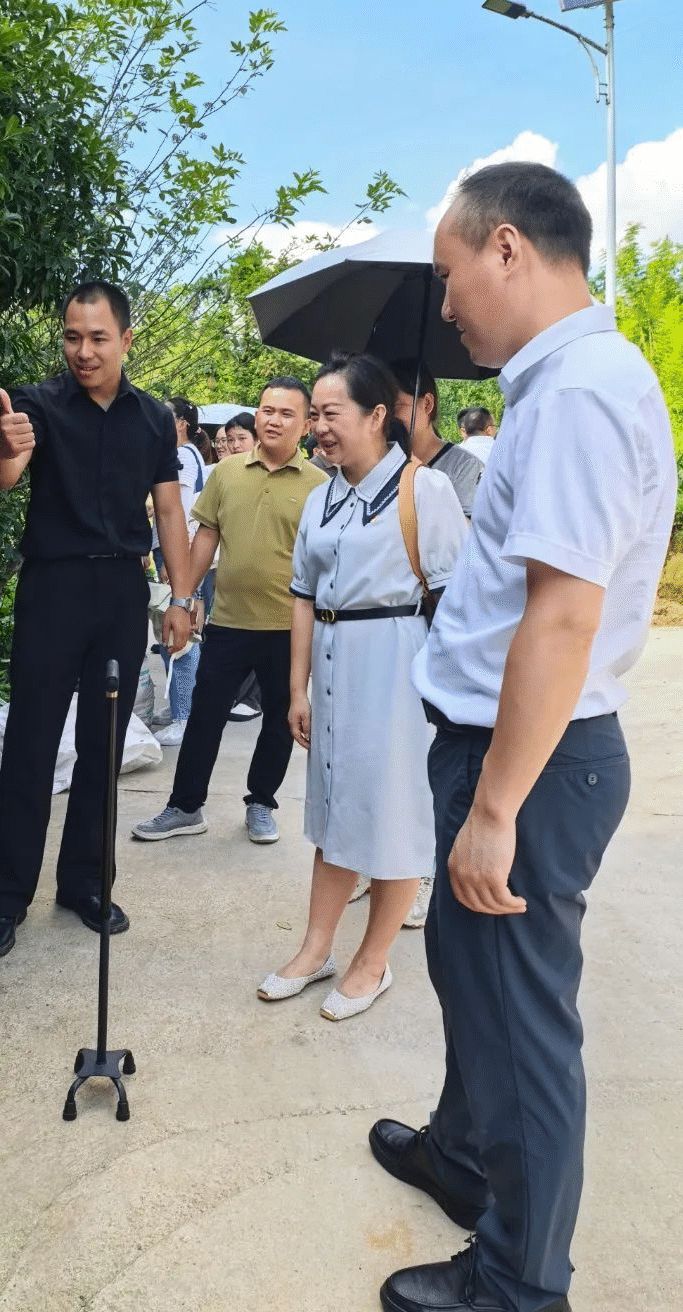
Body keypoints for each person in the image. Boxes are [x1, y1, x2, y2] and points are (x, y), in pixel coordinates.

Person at [372, 162, 676, 1312]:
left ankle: (518, 1281)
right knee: (475, 984)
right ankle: (464, 1153)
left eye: (449, 275)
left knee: (523, 1027)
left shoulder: (580, 391)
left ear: (506, 247)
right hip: (509, 752)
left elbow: (562, 615)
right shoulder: (567, 383)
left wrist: (495, 807)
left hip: (531, 767)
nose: (445, 305)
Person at [0, 280, 193, 957]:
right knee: (32, 743)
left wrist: (182, 597)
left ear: (125, 339)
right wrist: (5, 447)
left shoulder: (153, 418)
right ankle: (3, 899)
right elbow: (6, 476)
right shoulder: (37, 404)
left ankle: (86, 885)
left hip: (121, 590)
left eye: (98, 338)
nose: (84, 351)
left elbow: (169, 511)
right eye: (72, 337)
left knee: (104, 743)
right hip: (52, 587)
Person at [257, 357, 466, 1017]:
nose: (319, 427)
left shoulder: (423, 490)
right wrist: (296, 690)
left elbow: (455, 601)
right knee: (335, 809)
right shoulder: (321, 496)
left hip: (395, 666)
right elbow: (302, 596)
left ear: (378, 415)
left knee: (394, 813)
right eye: (314, 415)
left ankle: (372, 963)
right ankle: (315, 949)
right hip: (331, 663)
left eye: (331, 414)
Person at [132, 378, 327, 845]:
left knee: (278, 720)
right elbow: (206, 537)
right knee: (205, 715)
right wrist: (182, 599)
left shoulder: (320, 486)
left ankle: (261, 803)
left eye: (286, 413)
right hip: (229, 622)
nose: (273, 420)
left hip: (289, 628)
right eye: (267, 410)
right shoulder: (226, 472)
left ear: (306, 426)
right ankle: (185, 806)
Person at [153, 397, 209, 747]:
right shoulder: (186, 454)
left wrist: (176, 564)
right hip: (177, 554)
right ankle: (179, 706)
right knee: (171, 633)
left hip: (181, 555)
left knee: (181, 638)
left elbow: (183, 510)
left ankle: (184, 717)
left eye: (166, 415)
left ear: (182, 423)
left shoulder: (184, 457)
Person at [392, 359, 483, 517]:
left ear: (427, 404)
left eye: (395, 406)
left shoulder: (465, 467)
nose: (385, 416)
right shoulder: (380, 461)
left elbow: (467, 528)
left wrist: (427, 481)